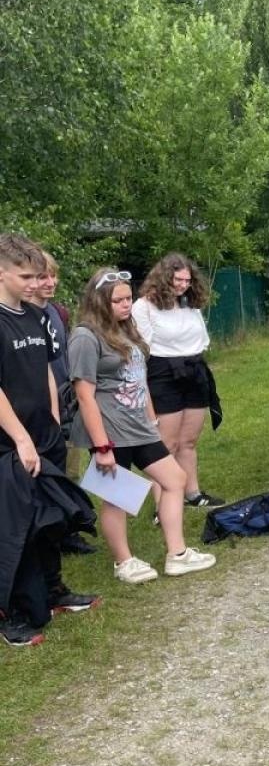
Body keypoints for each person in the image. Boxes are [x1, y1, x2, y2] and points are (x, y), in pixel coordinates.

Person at [69, 269, 217, 583]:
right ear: (99, 302)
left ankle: (177, 554)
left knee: (175, 479)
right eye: (118, 300)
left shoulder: (127, 329)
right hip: (110, 429)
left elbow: (140, 378)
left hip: (139, 425)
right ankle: (124, 562)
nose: (126, 305)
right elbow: (84, 395)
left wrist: (151, 418)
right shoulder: (85, 335)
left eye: (128, 298)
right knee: (117, 495)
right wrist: (102, 446)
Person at [0, 234, 99, 647]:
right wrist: (22, 439)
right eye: (25, 276)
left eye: (37, 275)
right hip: (9, 445)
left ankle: (54, 591)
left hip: (43, 437)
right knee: (16, 529)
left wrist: (53, 419)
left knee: (51, 520)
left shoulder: (34, 316)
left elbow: (42, 367)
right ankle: (12, 614)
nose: (33, 283)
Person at [132, 253, 224, 510]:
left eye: (187, 280)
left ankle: (192, 494)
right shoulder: (143, 306)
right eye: (178, 279)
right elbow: (142, 348)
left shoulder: (189, 304)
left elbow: (201, 339)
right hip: (162, 374)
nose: (183, 285)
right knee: (167, 444)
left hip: (194, 371)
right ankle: (164, 505)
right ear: (163, 278)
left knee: (189, 441)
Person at [33, 250, 97, 554]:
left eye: (52, 275)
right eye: (42, 276)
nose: (49, 282)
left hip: (65, 400)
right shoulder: (18, 316)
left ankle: (68, 532)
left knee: (68, 468)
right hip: (34, 407)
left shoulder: (57, 313)